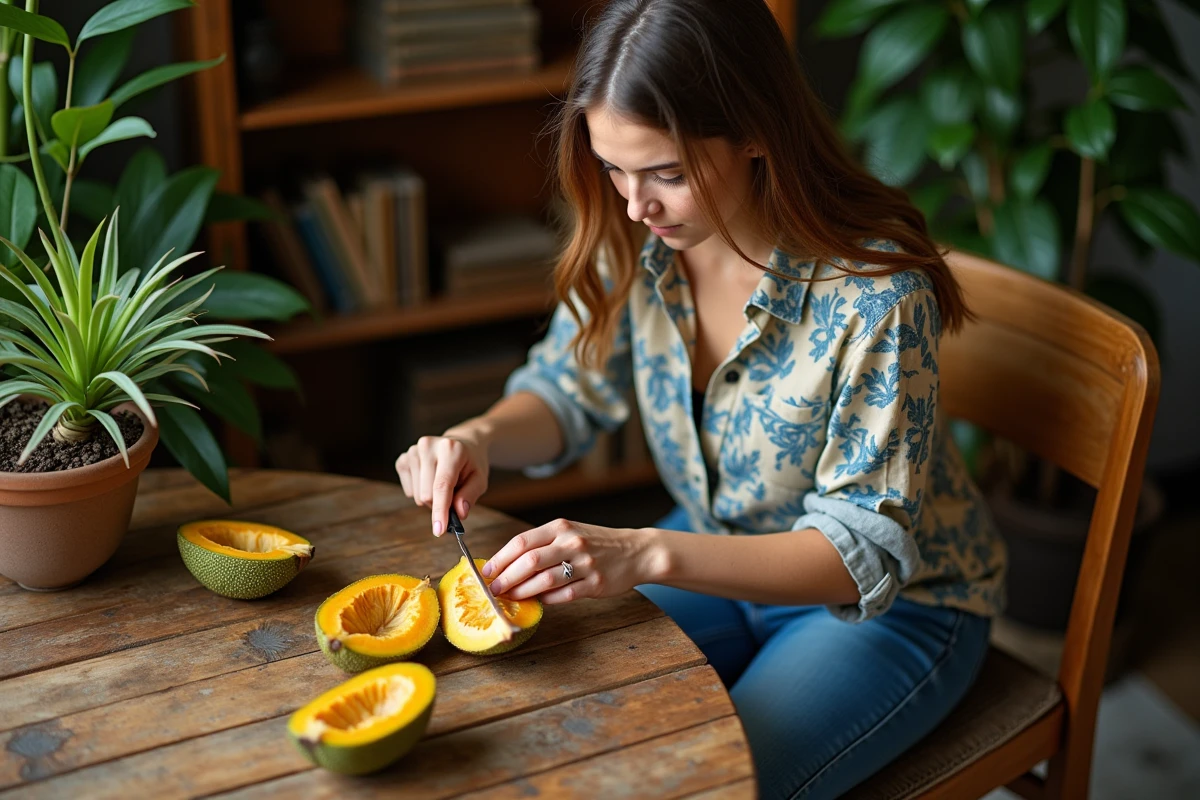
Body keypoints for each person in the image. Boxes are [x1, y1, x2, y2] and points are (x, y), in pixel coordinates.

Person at [395, 1, 1006, 797]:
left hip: (897, 605)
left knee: (708, 783)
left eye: (668, 174)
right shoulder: (635, 240)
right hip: (716, 550)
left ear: (756, 132)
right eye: (613, 168)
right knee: (554, 731)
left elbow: (857, 554)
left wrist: (646, 552)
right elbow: (565, 391)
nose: (632, 205)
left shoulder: (877, 297)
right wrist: (477, 436)